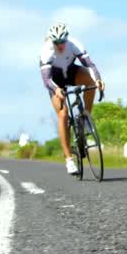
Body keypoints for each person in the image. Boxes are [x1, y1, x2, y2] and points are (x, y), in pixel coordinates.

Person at [39, 23, 104, 175]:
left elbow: (90, 65)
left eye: (62, 42)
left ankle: (86, 116)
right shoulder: (46, 51)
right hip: (55, 81)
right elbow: (46, 80)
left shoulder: (74, 44)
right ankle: (68, 160)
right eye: (56, 43)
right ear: (51, 42)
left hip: (72, 72)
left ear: (67, 39)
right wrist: (56, 90)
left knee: (90, 81)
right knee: (62, 114)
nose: (60, 46)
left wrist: (99, 80)